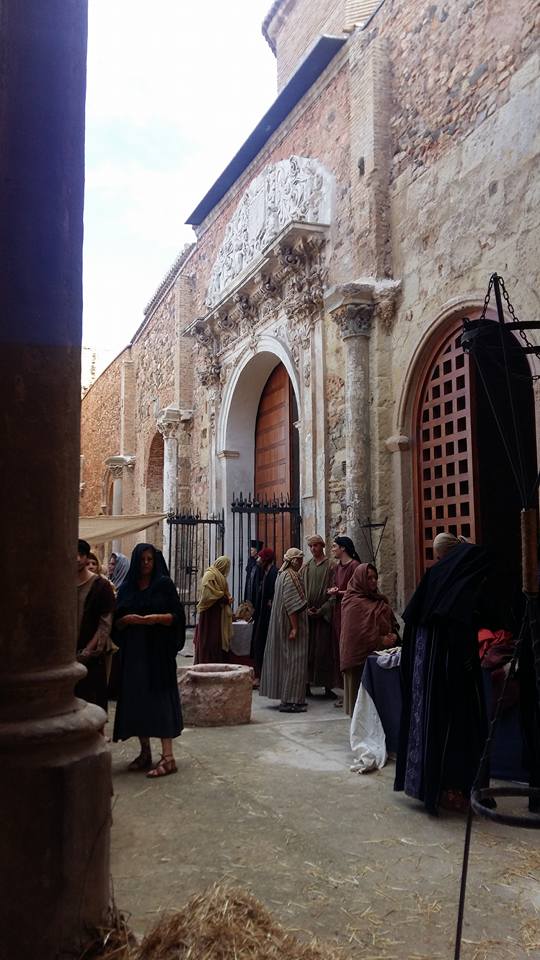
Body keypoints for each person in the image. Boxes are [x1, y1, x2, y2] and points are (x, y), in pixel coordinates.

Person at [394, 532, 491, 814]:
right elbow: (456, 635)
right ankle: (450, 789)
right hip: (446, 678)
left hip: (429, 675)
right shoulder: (452, 584)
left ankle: (434, 787)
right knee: (454, 729)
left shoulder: (436, 581)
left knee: (434, 724)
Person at [112, 542, 185, 778]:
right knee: (138, 701)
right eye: (142, 560)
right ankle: (145, 752)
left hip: (158, 653)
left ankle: (168, 757)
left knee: (161, 702)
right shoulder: (127, 588)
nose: (146, 564)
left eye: (150, 560)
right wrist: (126, 621)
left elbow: (177, 616)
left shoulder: (163, 585)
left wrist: (155, 619)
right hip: (134, 654)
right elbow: (116, 621)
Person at [340, 563, 400, 717]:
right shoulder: (351, 603)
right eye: (369, 578)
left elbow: (392, 624)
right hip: (358, 663)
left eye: (375, 577)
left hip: (379, 660)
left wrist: (393, 635)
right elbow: (355, 636)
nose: (373, 581)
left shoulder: (378, 599)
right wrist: (380, 640)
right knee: (360, 710)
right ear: (360, 579)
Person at [259, 547, 309, 713]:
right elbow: (292, 604)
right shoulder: (290, 576)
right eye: (299, 559)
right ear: (293, 561)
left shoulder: (282, 575)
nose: (301, 562)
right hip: (288, 625)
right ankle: (291, 701)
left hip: (281, 624)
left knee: (286, 661)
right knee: (294, 661)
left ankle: (287, 698)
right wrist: (295, 627)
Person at [76, 539, 116, 713]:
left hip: (91, 656)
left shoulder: (101, 586)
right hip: (66, 655)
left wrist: (88, 650)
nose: (77, 559)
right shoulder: (61, 583)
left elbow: (104, 623)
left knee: (92, 704)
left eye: (81, 555)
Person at [301, 535, 335, 698]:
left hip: (324, 617)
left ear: (322, 546)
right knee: (308, 651)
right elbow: (301, 589)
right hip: (309, 617)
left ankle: (327, 686)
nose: (313, 549)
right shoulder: (307, 566)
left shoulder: (331, 566)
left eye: (316, 545)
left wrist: (322, 610)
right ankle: (307, 685)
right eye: (311, 546)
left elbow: (334, 592)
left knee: (324, 651)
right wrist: (306, 609)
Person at [328, 536, 361, 705]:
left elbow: (358, 589)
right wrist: (334, 590)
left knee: (349, 650)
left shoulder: (354, 566)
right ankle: (344, 691)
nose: (332, 549)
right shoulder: (337, 567)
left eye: (335, 546)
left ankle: (352, 693)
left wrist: (339, 592)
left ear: (343, 548)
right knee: (339, 651)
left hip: (350, 613)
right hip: (338, 611)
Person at [194, 556, 233, 664]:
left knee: (216, 640)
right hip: (209, 614)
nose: (227, 570)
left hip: (218, 613)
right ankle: (205, 663)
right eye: (226, 567)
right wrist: (225, 599)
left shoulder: (219, 576)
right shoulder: (210, 575)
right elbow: (208, 595)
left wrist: (227, 598)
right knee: (208, 640)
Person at [251, 547, 278, 681]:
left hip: (268, 617)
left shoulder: (273, 573)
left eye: (261, 557)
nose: (258, 559)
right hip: (262, 616)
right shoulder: (265, 572)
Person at [244, 539, 264, 606]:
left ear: (256, 551)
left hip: (257, 586)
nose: (250, 552)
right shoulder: (250, 560)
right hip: (249, 585)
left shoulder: (261, 561)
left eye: (252, 550)